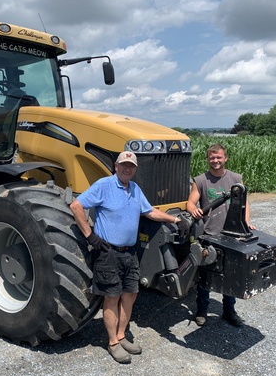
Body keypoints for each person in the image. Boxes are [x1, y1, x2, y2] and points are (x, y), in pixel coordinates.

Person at [70, 151, 189, 364]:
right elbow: (76, 205)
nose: (127, 168)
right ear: (116, 166)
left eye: (131, 166)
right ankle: (113, 343)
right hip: (108, 253)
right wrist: (90, 236)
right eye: (123, 165)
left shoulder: (134, 189)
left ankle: (122, 335)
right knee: (112, 297)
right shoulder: (104, 185)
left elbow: (150, 212)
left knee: (130, 295)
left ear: (135, 169)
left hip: (130, 253)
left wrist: (176, 219)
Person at [187, 143, 256, 327]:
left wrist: (246, 222)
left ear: (225, 158)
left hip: (232, 235)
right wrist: (193, 209)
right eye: (212, 157)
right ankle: (201, 310)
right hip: (209, 234)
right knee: (205, 276)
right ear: (208, 159)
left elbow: (245, 203)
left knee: (231, 274)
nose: (215, 161)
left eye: (219, 157)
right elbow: (191, 203)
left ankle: (229, 311)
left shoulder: (235, 179)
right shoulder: (201, 180)